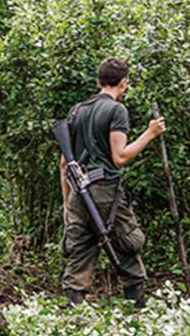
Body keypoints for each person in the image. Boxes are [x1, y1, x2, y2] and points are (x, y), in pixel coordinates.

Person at [60, 58, 165, 307]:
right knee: (128, 245)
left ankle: (72, 317)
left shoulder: (77, 110)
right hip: (105, 190)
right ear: (124, 83)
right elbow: (120, 157)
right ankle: (137, 312)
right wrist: (150, 133)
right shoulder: (116, 110)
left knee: (79, 253)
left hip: (78, 193)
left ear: (98, 81)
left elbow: (65, 164)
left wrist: (66, 202)